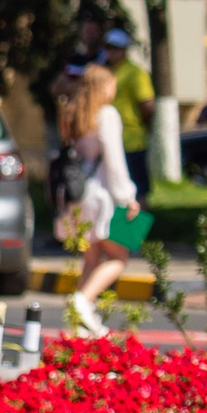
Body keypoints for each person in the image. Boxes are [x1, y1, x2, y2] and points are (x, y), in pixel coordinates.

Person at [58, 63, 139, 333]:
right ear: (103, 87)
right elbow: (115, 161)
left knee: (91, 259)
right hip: (102, 194)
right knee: (119, 257)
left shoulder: (74, 113)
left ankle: (82, 324)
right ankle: (83, 301)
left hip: (77, 194)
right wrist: (128, 197)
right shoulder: (107, 114)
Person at [101, 27, 156, 198]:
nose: (111, 52)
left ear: (124, 50)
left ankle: (140, 217)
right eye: (108, 47)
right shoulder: (104, 71)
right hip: (109, 139)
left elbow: (147, 105)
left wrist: (144, 127)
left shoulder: (135, 73)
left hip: (132, 140)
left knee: (138, 189)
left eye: (116, 48)